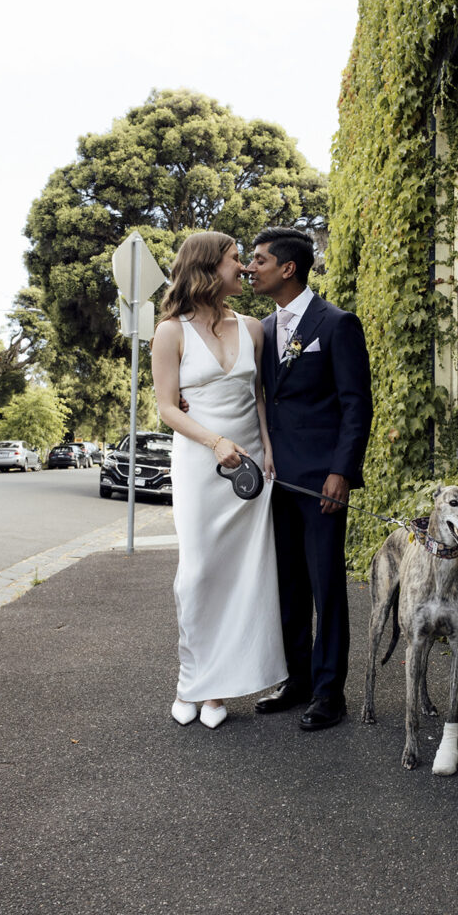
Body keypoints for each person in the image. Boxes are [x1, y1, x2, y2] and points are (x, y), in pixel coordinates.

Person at [152, 231, 287, 730]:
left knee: (245, 579)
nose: (245, 268)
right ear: (209, 268)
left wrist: (268, 451)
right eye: (236, 260)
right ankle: (192, 681)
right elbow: (167, 407)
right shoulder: (171, 332)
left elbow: (259, 398)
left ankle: (218, 692)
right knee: (200, 573)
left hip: (250, 470)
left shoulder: (253, 327)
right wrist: (214, 442)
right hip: (200, 466)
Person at [246, 227, 373, 730]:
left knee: (325, 586)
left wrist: (341, 471)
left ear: (288, 268)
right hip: (274, 481)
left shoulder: (337, 324)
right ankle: (296, 678)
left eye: (258, 260)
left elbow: (355, 405)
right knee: (288, 586)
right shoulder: (259, 329)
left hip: (322, 482)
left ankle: (328, 693)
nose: (249, 268)